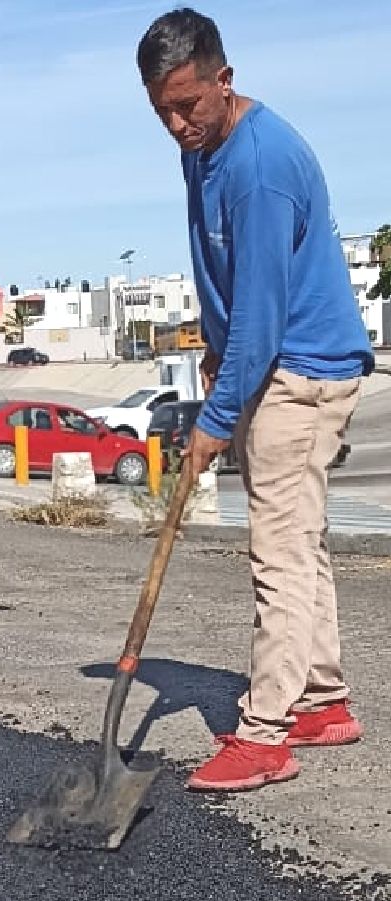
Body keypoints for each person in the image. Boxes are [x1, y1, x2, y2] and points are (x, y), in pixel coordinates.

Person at [136, 10, 373, 791]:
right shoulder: (201, 149)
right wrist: (212, 347)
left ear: (223, 80)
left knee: (275, 551)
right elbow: (220, 270)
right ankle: (321, 698)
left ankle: (265, 733)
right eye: (161, 109)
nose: (176, 125)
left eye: (188, 106)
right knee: (298, 539)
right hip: (274, 359)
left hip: (300, 370)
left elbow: (265, 312)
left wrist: (213, 419)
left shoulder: (260, 164)